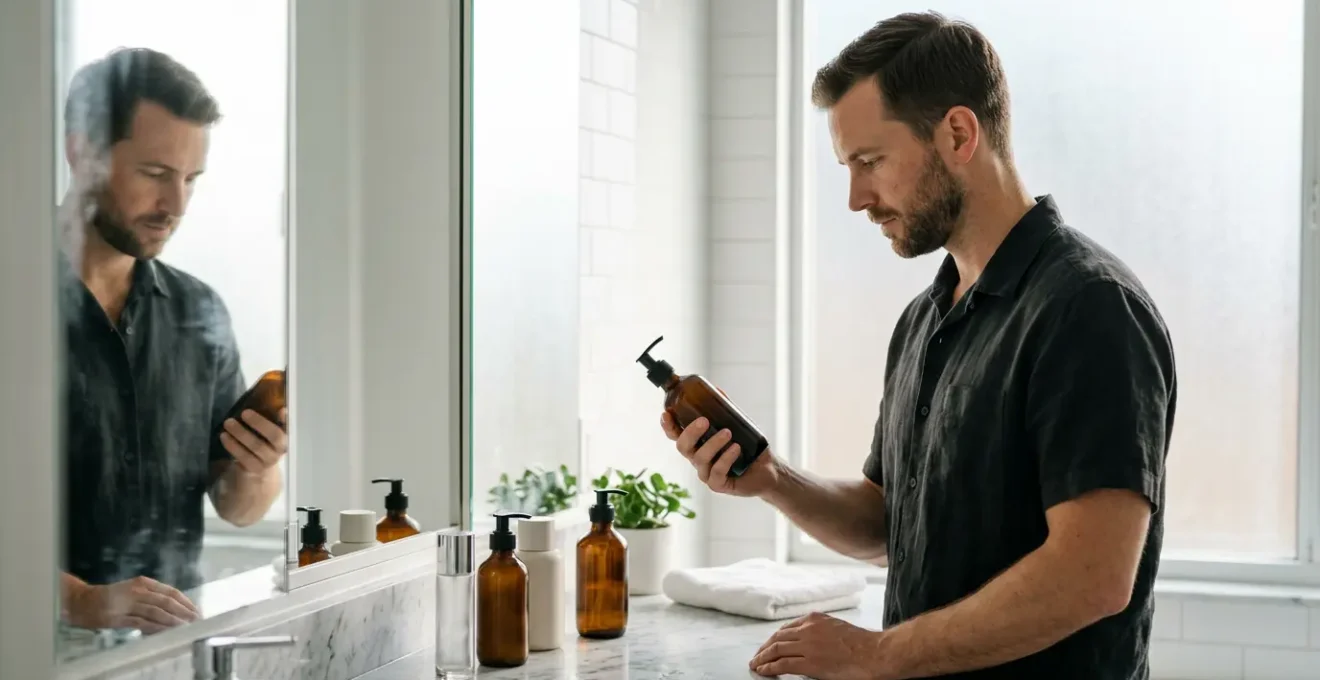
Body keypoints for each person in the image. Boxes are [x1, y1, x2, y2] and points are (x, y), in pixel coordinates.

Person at [662, 12, 1175, 680]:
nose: (856, 199)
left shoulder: (1088, 308)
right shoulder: (924, 321)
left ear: (958, 133)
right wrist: (773, 479)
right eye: (848, 167)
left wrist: (874, 653)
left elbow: (1092, 576)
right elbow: (888, 527)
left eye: (870, 162)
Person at [57, 47, 289, 635]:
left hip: (169, 652)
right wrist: (77, 600)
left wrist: (258, 467)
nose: (176, 205)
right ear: (81, 153)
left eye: (191, 180)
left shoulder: (198, 312)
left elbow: (238, 506)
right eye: (155, 174)